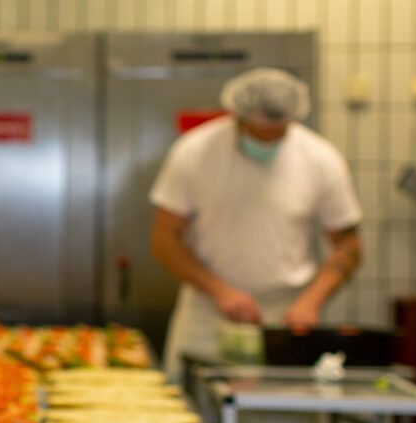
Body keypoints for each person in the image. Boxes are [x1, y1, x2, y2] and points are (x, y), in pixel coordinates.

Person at [149, 67, 363, 380]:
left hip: (286, 318)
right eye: (258, 132)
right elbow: (164, 239)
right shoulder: (195, 152)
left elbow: (349, 244)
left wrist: (310, 302)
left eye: (277, 133)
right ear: (236, 116)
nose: (267, 141)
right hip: (208, 315)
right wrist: (220, 291)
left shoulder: (320, 159)